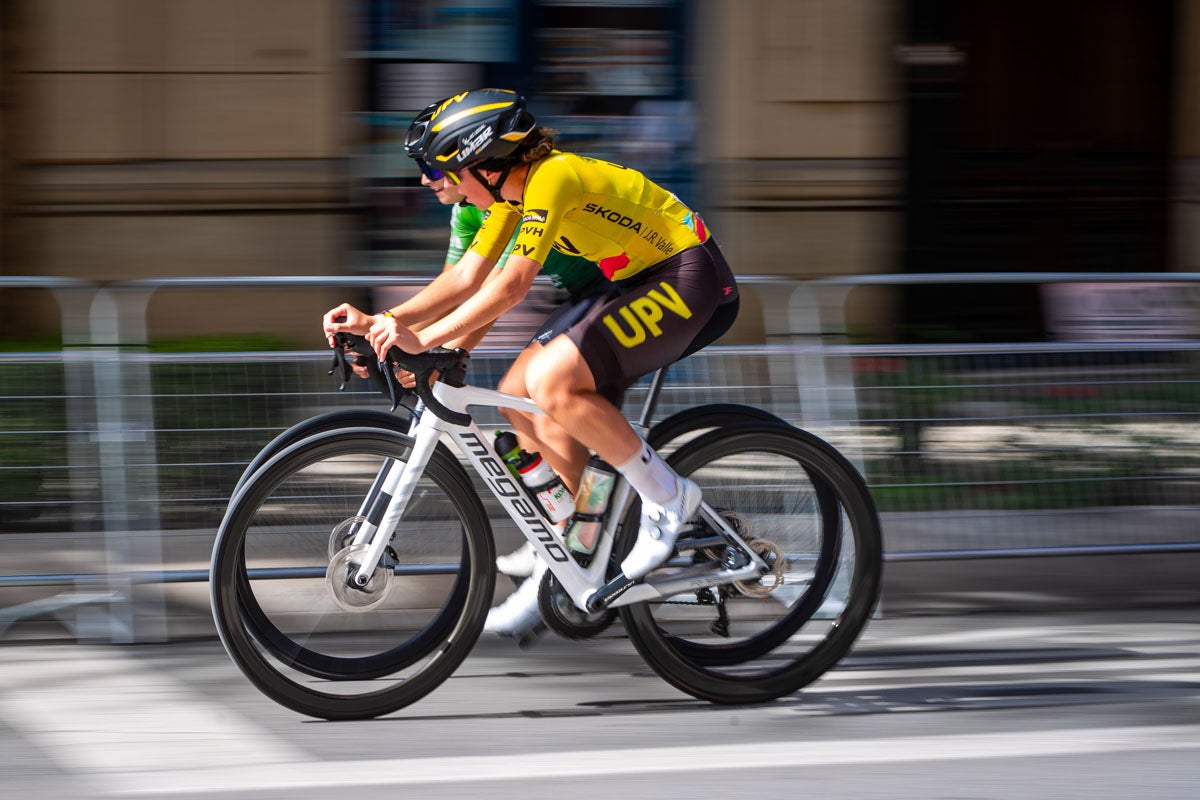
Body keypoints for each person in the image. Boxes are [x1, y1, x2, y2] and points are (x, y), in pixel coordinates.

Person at [323, 88, 740, 637]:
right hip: (631, 283)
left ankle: (666, 499)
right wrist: (386, 323)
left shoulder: (553, 177)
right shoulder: (504, 201)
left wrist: (424, 340)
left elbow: (513, 286)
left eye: (435, 167)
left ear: (479, 163)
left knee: (552, 383)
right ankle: (573, 549)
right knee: (521, 396)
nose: (428, 180)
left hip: (688, 275)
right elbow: (467, 279)